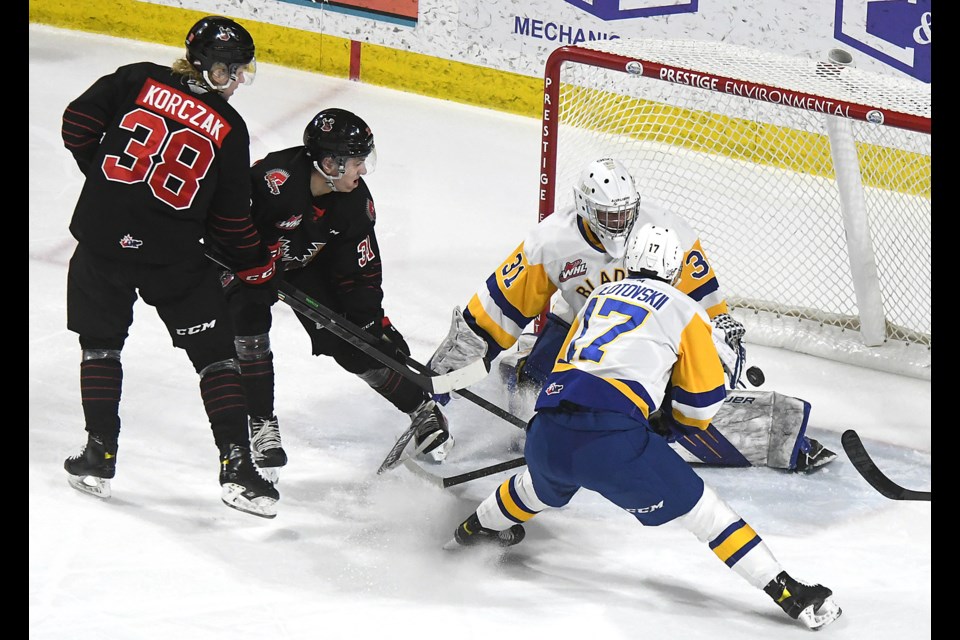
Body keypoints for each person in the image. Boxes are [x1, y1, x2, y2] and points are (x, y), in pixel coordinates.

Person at [447, 223, 843, 632]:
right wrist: (667, 424)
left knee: (537, 486)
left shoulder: (597, 296)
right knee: (706, 513)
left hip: (546, 429)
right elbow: (700, 406)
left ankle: (469, 531)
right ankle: (790, 593)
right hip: (612, 441)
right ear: (674, 270)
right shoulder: (685, 310)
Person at [428, 157, 835, 472]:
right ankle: (529, 369)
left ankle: (762, 432)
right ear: (585, 209)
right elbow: (491, 317)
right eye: (609, 216)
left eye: (625, 213)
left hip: (650, 339)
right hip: (579, 332)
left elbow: (702, 305)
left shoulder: (666, 229)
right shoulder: (549, 243)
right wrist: (438, 387)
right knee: (533, 407)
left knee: (680, 404)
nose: (619, 223)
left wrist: (718, 340)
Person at [60, 15, 280, 518]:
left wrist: (107, 185)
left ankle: (99, 455)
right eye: (230, 70)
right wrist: (254, 265)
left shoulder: (137, 78)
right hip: (173, 257)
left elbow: (76, 123)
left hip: (100, 242)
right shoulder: (229, 127)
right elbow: (230, 219)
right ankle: (238, 469)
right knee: (216, 357)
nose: (237, 80)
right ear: (204, 64)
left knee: (100, 348)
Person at [219, 107, 453, 481]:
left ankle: (420, 408)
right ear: (329, 162)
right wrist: (247, 264)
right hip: (249, 262)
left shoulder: (354, 202)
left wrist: (373, 324)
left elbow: (361, 272)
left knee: (351, 341)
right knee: (248, 319)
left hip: (306, 263)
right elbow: (226, 221)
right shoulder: (272, 181)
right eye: (357, 161)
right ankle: (262, 425)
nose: (363, 171)